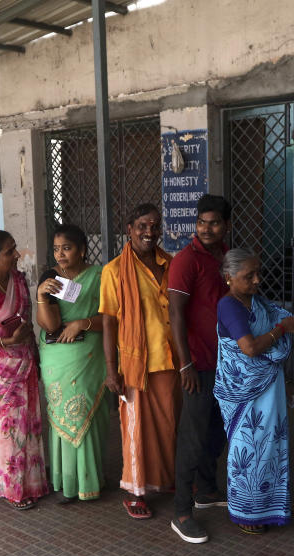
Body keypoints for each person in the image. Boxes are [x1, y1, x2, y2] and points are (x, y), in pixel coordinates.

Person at [100, 203, 180, 519]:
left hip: (169, 361)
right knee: (136, 429)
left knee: (168, 428)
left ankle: (165, 481)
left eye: (155, 226)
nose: (149, 232)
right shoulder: (114, 271)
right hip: (136, 365)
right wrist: (110, 369)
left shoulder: (170, 264)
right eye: (142, 226)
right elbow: (108, 323)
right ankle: (136, 491)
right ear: (129, 229)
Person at [214, 248, 294, 534]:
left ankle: (272, 505)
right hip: (243, 392)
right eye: (249, 276)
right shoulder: (229, 305)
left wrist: (281, 327)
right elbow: (248, 349)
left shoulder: (258, 304)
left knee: (272, 444)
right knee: (248, 449)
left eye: (257, 273)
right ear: (229, 278)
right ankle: (246, 511)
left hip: (269, 388)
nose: (257, 280)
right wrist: (280, 331)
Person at [0, 230, 48, 509]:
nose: (16, 255)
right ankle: (12, 488)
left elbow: (25, 320)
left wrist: (33, 354)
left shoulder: (18, 280)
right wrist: (8, 341)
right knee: (8, 427)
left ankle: (33, 483)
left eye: (15, 249)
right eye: (9, 252)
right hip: (0, 368)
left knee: (29, 423)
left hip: (24, 360)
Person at [168, 194, 231, 544]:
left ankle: (206, 490)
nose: (207, 229)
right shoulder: (186, 260)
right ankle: (181, 512)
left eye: (215, 223)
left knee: (215, 432)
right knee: (192, 438)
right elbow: (176, 314)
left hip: (225, 364)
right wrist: (185, 364)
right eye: (202, 222)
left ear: (226, 226)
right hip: (198, 364)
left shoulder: (224, 258)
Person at [36, 224, 108, 503]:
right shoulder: (51, 278)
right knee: (62, 416)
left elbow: (113, 318)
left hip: (89, 354)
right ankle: (66, 480)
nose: (60, 254)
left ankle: (90, 480)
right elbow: (50, 324)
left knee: (87, 415)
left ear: (81, 249)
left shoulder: (100, 276)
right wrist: (41, 295)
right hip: (57, 357)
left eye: (66, 248)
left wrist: (83, 323)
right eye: (56, 249)